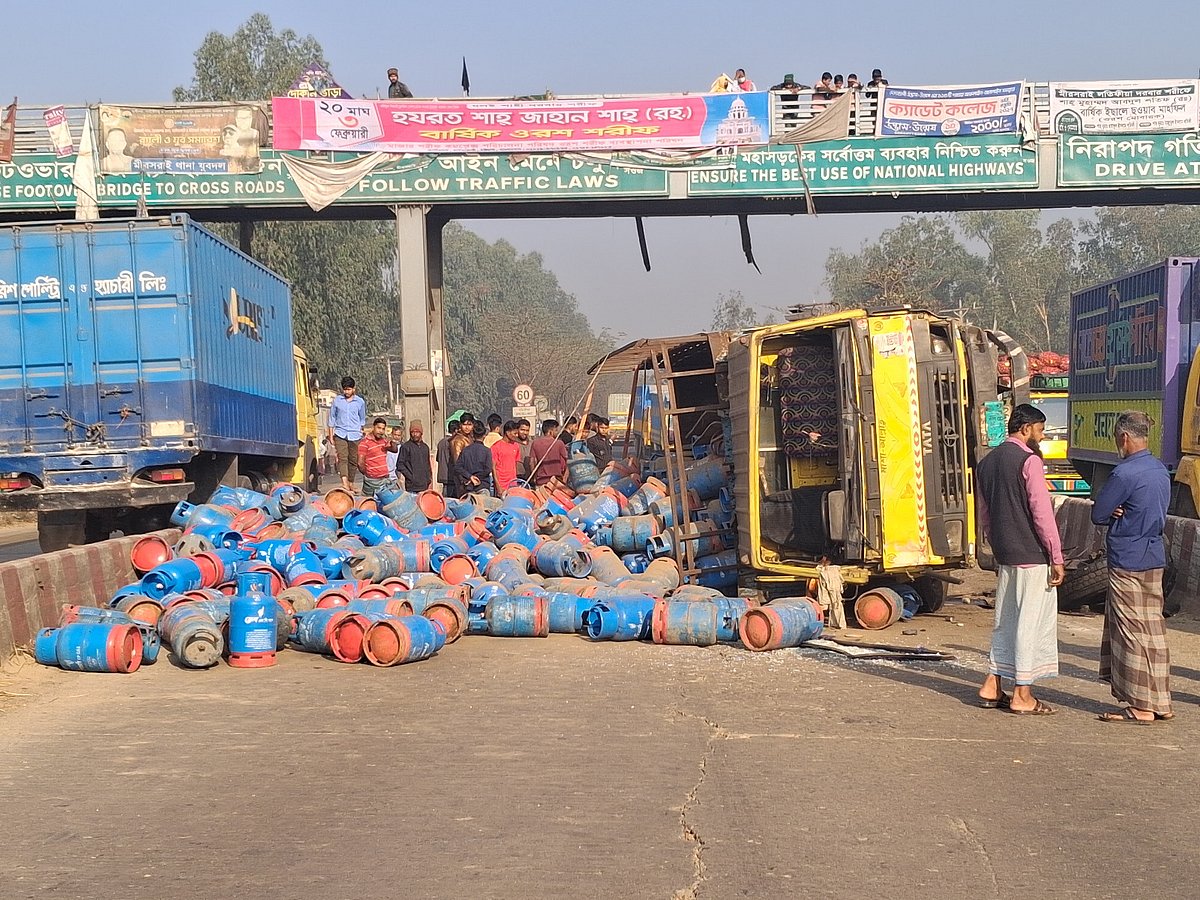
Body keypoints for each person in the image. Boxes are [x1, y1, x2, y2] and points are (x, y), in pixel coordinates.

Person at [973, 404, 1065, 716]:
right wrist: (1056, 555)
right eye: (1040, 430)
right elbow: (1042, 514)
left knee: (1006, 620)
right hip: (1032, 554)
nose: (1041, 436)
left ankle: (992, 683)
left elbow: (985, 516)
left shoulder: (986, 464)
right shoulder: (1030, 461)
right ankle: (1022, 693)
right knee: (1030, 622)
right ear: (1025, 429)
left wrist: (998, 546)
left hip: (1006, 555)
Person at [1091, 411, 1173, 724]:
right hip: (1153, 556)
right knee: (1153, 630)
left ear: (1124, 438)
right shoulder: (1159, 470)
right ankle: (1161, 701)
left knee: (1130, 632)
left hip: (1127, 558)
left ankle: (1141, 705)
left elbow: (1099, 513)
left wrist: (1115, 510)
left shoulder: (1125, 474)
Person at [327, 376, 367, 493]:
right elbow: (332, 418)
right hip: (340, 433)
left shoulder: (360, 402)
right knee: (342, 458)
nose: (346, 392)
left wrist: (361, 431)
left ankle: (351, 483)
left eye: (349, 389)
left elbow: (362, 418)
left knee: (353, 460)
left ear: (354, 389)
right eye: (345, 389)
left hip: (355, 435)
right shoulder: (337, 401)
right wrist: (330, 435)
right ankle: (344, 483)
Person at [357, 417, 400, 497]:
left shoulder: (383, 441)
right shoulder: (365, 443)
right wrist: (368, 474)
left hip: (385, 478)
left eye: (383, 429)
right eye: (379, 428)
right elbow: (360, 463)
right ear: (373, 427)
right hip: (372, 480)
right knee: (370, 503)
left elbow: (394, 450)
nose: (381, 431)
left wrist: (391, 441)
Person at [455, 421, 493, 496]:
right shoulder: (487, 451)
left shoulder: (465, 450)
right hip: (483, 486)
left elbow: (458, 467)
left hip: (468, 487)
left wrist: (470, 477)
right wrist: (476, 478)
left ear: (472, 435)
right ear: (484, 436)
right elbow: (488, 469)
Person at [396, 420, 433, 494]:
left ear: (421, 433)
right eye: (413, 432)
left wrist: (429, 479)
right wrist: (411, 477)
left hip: (424, 486)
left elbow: (427, 465)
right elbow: (400, 465)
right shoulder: (406, 447)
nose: (415, 434)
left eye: (417, 432)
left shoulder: (425, 447)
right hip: (412, 487)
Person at [529, 419, 568, 486]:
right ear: (551, 431)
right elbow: (567, 461)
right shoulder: (559, 443)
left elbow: (531, 462)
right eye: (556, 430)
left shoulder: (535, 443)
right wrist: (564, 478)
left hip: (541, 481)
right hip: (556, 481)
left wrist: (534, 477)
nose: (558, 433)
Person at [491, 420, 523, 495]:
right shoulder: (496, 447)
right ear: (507, 433)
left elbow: (515, 464)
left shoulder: (516, 446)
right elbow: (493, 468)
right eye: (514, 433)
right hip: (501, 484)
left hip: (513, 484)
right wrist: (498, 487)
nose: (517, 436)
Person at [436, 418, 460, 495]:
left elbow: (438, 459)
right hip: (451, 475)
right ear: (456, 430)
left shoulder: (441, 442)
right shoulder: (454, 442)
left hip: (442, 475)